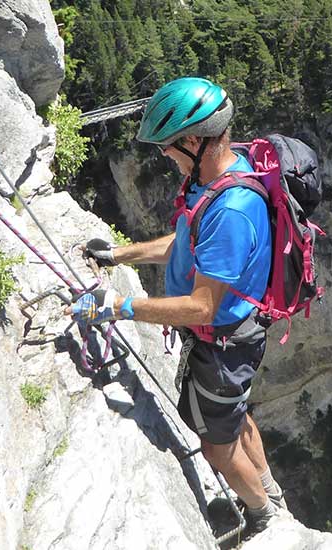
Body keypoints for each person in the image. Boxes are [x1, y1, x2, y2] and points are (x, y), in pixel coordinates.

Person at [68, 77, 285, 532]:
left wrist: (118, 306)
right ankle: (270, 489)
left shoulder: (230, 211)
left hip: (223, 347)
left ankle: (263, 516)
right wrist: (119, 253)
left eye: (168, 145)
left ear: (193, 140)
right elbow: (185, 242)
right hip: (231, 343)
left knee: (216, 447)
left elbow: (201, 307)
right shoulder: (215, 179)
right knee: (235, 415)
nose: (163, 154)